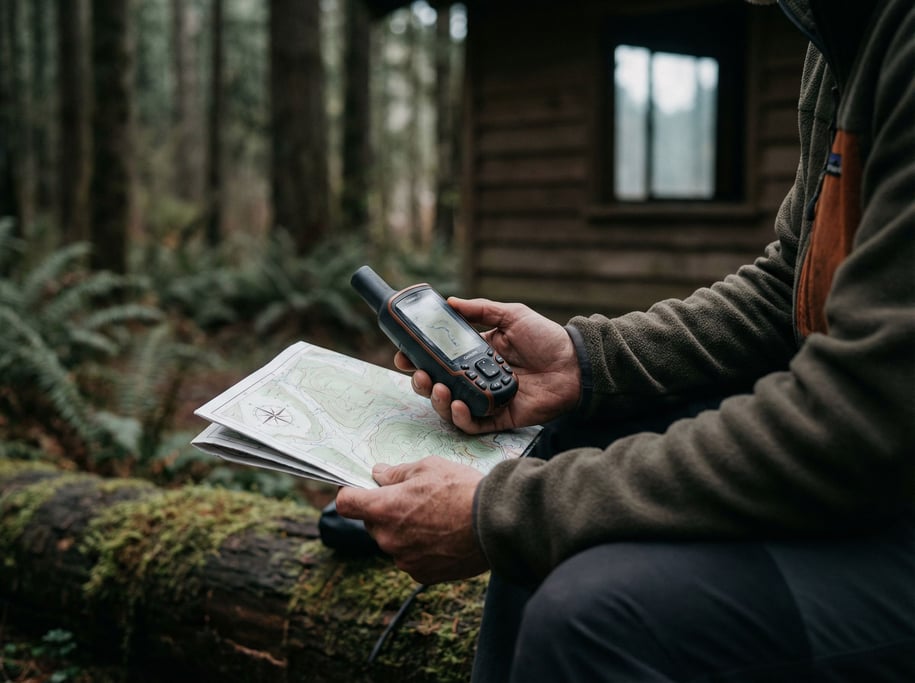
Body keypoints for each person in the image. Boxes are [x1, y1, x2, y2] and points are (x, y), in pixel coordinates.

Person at [336, 0, 915, 679]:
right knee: (574, 437)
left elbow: (857, 418)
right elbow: (788, 283)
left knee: (594, 618)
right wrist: (584, 362)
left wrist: (499, 513)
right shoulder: (839, 29)